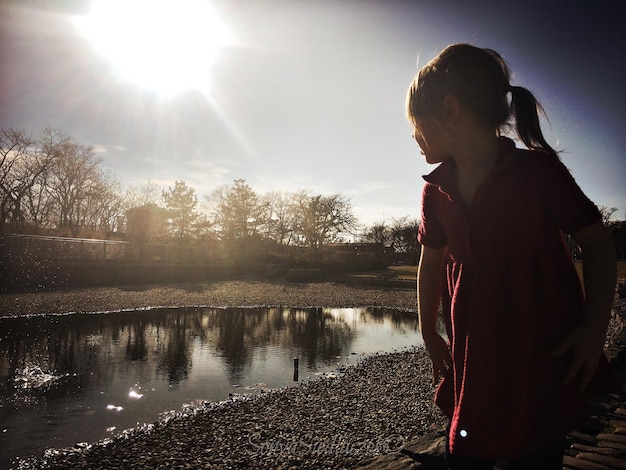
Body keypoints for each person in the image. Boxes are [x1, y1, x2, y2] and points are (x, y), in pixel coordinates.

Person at [406, 44, 621, 468]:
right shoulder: (435, 189)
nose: (413, 135)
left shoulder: (537, 173)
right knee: (465, 443)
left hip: (538, 351)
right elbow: (431, 263)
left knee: (537, 450)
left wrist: (595, 328)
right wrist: (429, 332)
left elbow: (597, 243)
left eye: (416, 123)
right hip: (474, 352)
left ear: (450, 108)